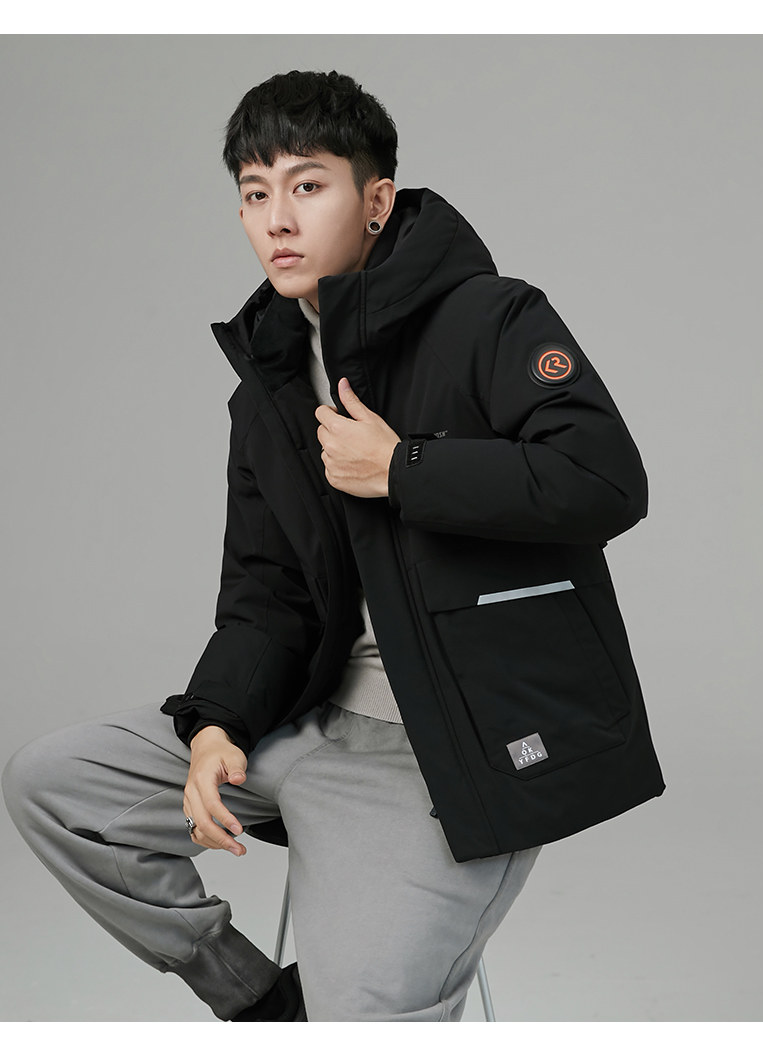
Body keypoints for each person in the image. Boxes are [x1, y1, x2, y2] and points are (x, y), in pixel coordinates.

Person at [2, 69, 665, 1022]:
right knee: (55, 784)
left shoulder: (492, 317)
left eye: (308, 185)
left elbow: (605, 478)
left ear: (377, 201)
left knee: (364, 1018)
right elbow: (266, 595)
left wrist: (404, 468)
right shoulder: (268, 381)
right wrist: (218, 724)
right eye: (254, 193)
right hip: (303, 724)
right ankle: (260, 1000)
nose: (277, 219)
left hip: (437, 750)